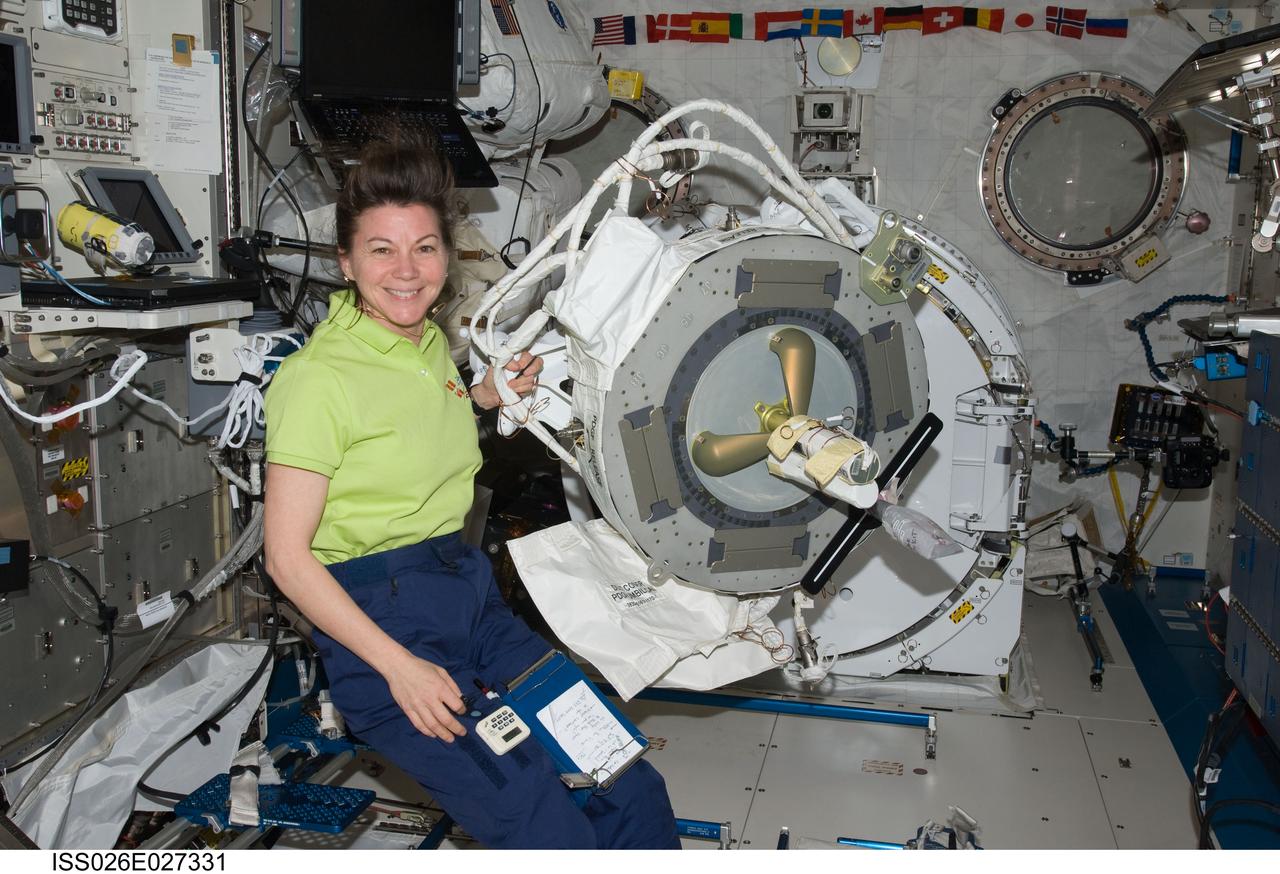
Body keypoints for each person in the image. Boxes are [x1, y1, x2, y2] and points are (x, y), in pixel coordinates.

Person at [262, 136, 680, 849]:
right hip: (384, 627)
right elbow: (286, 560)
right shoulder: (317, 381)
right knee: (539, 819)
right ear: (345, 260)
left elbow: (414, 421)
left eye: (424, 248)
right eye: (382, 250)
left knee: (624, 776)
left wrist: (484, 394)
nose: (406, 271)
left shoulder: (424, 343)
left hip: (469, 598)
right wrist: (400, 669)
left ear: (448, 256)